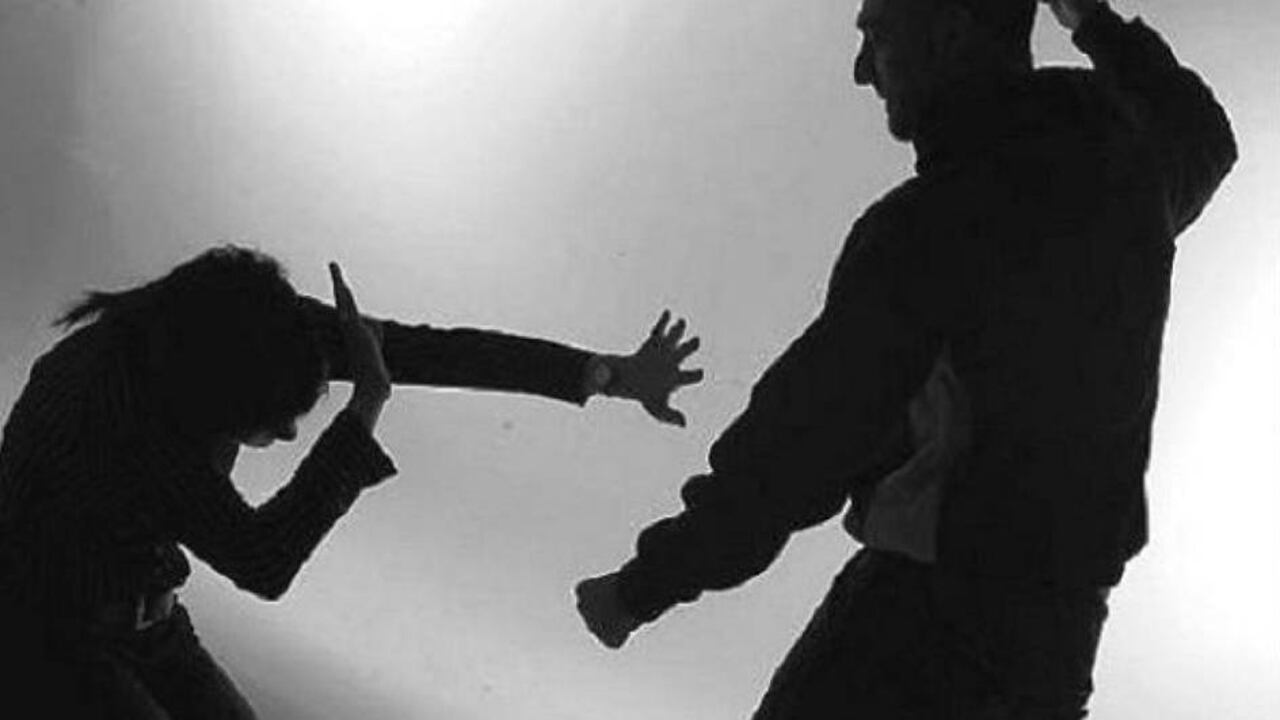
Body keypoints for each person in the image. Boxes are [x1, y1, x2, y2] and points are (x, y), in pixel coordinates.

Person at [576, 0, 1236, 717]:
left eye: (878, 37)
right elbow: (1201, 132)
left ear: (950, 31)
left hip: (919, 641)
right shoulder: (1126, 176)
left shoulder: (938, 224)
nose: (863, 71)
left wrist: (640, 588)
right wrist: (1089, 16)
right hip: (1056, 653)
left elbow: (795, 453)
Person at [0, 245, 702, 717]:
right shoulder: (122, 417)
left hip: (142, 613)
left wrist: (608, 375)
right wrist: (365, 405)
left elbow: (432, 352)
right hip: (43, 632)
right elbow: (263, 560)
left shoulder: (256, 328)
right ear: (209, 397)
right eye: (269, 421)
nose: (286, 435)